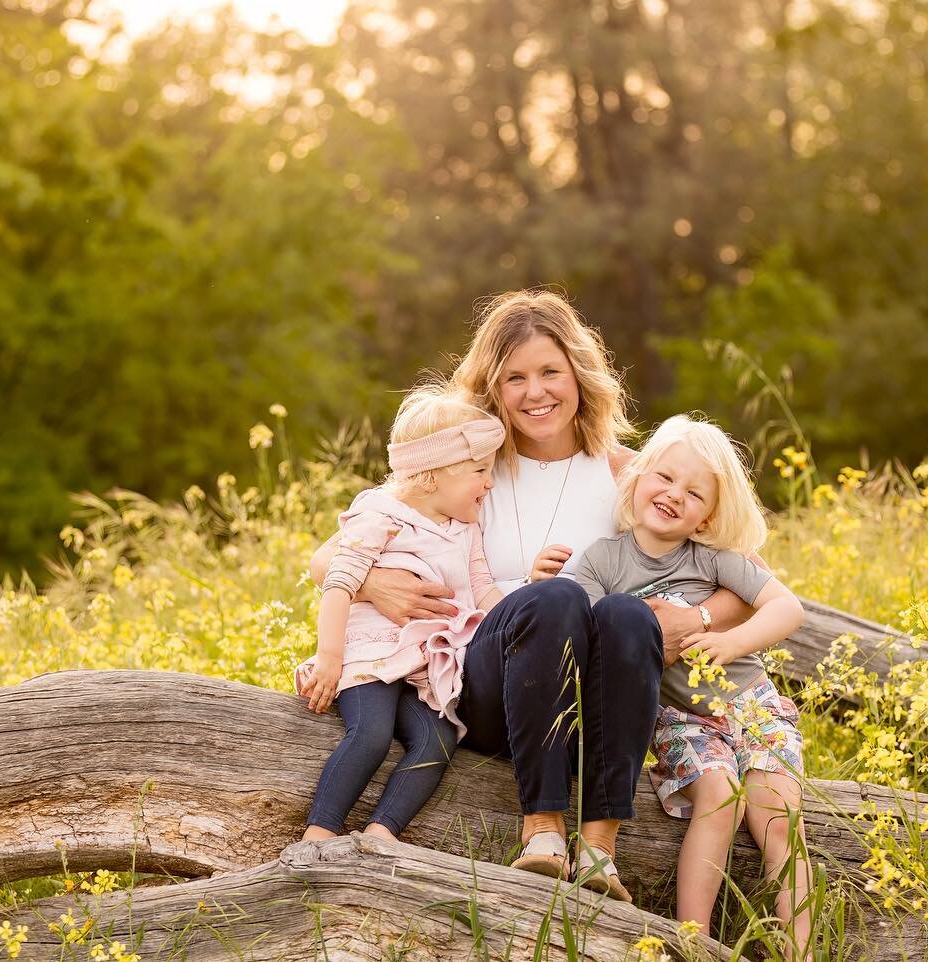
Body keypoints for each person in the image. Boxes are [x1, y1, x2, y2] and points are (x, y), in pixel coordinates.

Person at [310, 290, 761, 903]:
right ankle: (542, 831)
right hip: (491, 692)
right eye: (514, 377)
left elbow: (750, 574)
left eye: (551, 372)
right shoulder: (466, 467)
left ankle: (601, 848)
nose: (535, 392)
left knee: (623, 613)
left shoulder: (623, 473)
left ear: (579, 374)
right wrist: (370, 581)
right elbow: (330, 554)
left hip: (600, 700)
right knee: (555, 600)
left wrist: (699, 615)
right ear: (492, 389)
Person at [570, 414, 814, 958]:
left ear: (707, 516)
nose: (675, 495)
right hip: (680, 715)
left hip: (753, 703)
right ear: (637, 478)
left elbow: (787, 607)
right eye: (665, 478)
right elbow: (587, 638)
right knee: (719, 799)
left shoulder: (712, 558)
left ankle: (800, 952)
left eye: (695, 492)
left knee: (779, 820)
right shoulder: (601, 561)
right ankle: (695, 944)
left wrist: (731, 641)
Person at [297, 385, 506, 843]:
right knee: (370, 735)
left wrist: (520, 614)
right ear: (431, 477)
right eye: (480, 471)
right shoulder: (380, 514)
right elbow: (338, 582)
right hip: (368, 655)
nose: (490, 483)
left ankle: (382, 831)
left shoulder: (464, 530)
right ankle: (321, 828)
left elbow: (483, 589)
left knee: (438, 742)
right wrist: (329, 657)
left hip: (417, 666)